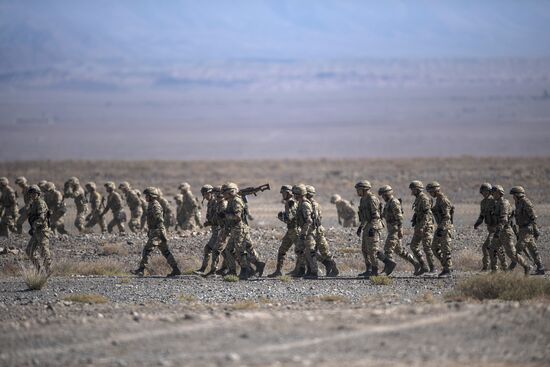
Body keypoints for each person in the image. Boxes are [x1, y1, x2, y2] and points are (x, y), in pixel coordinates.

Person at [132, 187, 181, 277]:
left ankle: (141, 269)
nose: (145, 197)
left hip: (157, 231)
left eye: (147, 195)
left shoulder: (155, 205)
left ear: (151, 196)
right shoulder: (151, 204)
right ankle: (176, 270)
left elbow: (159, 219)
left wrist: (157, 232)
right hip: (156, 231)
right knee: (165, 252)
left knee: (147, 250)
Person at [221, 182, 265, 280]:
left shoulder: (236, 201)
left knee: (240, 250)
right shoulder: (231, 201)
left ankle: (245, 270)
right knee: (229, 250)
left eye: (225, 192)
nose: (223, 195)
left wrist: (226, 215)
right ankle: (234, 270)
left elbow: (237, 217)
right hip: (235, 229)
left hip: (239, 229)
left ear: (230, 192)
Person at [489, 185, 530, 275]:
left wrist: (498, 231)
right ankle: (494, 271)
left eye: (494, 193)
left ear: (500, 193)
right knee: (492, 249)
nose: (492, 194)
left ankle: (527, 266)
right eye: (492, 193)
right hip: (499, 231)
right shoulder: (496, 203)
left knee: (512, 254)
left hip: (505, 232)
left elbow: (504, 220)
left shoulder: (504, 203)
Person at [378, 185, 419, 275]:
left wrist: (400, 229)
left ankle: (387, 269)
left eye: (384, 195)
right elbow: (386, 216)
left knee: (388, 249)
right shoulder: (388, 203)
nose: (383, 197)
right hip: (391, 229)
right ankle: (416, 264)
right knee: (399, 251)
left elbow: (399, 218)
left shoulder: (394, 202)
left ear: (388, 194)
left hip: (395, 230)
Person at [356, 180, 388, 277]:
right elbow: (364, 216)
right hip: (367, 225)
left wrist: (372, 228)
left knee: (372, 249)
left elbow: (376, 216)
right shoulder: (363, 199)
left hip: (374, 225)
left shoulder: (372, 199)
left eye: (359, 190)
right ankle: (368, 269)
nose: (357, 192)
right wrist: (360, 227)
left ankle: (376, 270)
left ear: (364, 189)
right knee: (364, 249)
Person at [510, 186, 545, 275]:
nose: (513, 197)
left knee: (517, 249)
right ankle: (540, 268)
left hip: (527, 229)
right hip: (522, 229)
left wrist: (536, 230)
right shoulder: (518, 203)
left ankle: (511, 268)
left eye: (514, 195)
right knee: (532, 249)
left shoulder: (526, 202)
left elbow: (533, 217)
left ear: (518, 195)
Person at [306, 185, 339, 277]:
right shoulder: (311, 203)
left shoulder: (312, 205)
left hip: (315, 230)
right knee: (314, 251)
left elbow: (313, 219)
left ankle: (328, 268)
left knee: (319, 251)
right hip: (316, 230)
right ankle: (328, 266)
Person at [474, 183, 507, 271]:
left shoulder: (495, 201)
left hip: (496, 229)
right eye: (483, 192)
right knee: (494, 248)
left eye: (486, 191)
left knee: (488, 247)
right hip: (490, 228)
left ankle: (492, 267)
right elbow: (482, 215)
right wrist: (477, 223)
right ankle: (501, 267)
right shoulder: (483, 203)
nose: (484, 193)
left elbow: (501, 214)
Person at [268, 185, 299, 277]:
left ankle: (301, 270)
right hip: (291, 230)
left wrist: (282, 217)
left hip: (294, 230)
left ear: (288, 193)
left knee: (300, 251)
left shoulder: (291, 202)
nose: (282, 195)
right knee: (282, 250)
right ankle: (278, 271)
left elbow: (291, 218)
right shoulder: (291, 202)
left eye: (283, 193)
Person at [426, 182, 454, 277]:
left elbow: (447, 217)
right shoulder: (437, 200)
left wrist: (441, 228)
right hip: (440, 228)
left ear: (436, 191)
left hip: (445, 228)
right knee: (434, 248)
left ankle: (448, 270)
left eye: (431, 192)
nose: (430, 194)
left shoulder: (443, 200)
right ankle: (446, 265)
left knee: (445, 249)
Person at [25, 185, 52, 273]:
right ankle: (39, 269)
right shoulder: (33, 204)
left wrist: (34, 226)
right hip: (36, 231)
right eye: (31, 193)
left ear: (38, 193)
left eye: (34, 193)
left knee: (44, 250)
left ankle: (48, 270)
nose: (32, 195)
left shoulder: (40, 203)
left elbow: (42, 217)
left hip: (42, 231)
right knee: (29, 251)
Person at [293, 184, 318, 278]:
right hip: (305, 231)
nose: (294, 196)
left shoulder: (305, 204)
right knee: (299, 250)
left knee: (310, 252)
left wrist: (304, 233)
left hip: (308, 232)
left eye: (295, 194)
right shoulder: (300, 203)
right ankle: (303, 270)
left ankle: (314, 272)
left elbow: (309, 221)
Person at [408, 180, 433, 276]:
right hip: (419, 226)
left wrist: (422, 226)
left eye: (413, 190)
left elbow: (427, 214)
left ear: (417, 189)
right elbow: (419, 211)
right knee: (413, 246)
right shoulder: (418, 198)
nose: (411, 192)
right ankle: (423, 266)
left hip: (426, 227)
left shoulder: (424, 199)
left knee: (427, 247)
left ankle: (433, 268)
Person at [195, 185, 218, 274]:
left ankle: (211, 270)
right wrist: (209, 222)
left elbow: (218, 218)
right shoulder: (210, 203)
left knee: (210, 249)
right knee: (224, 252)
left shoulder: (216, 202)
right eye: (203, 195)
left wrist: (210, 222)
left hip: (219, 230)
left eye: (205, 194)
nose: (204, 196)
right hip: (215, 230)